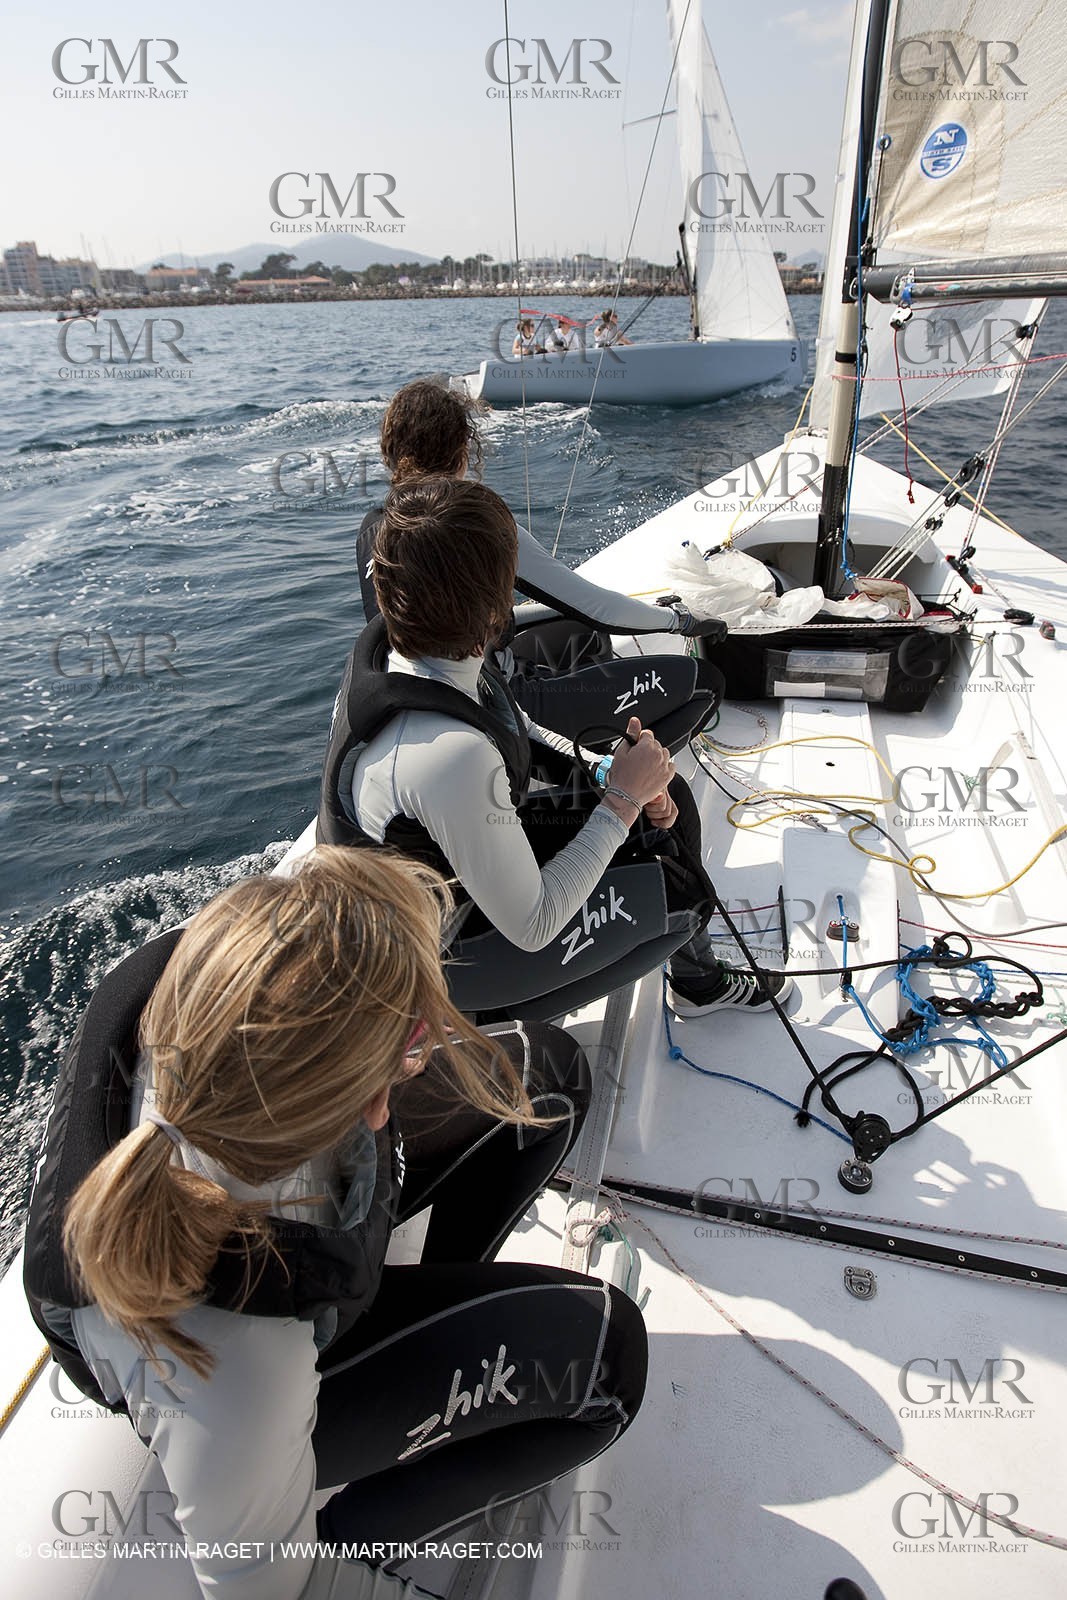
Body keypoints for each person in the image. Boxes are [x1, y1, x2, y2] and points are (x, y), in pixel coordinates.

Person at [24, 847, 648, 1599]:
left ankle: (430, 1298)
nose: (430, 1043)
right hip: (275, 1355)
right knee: (607, 1361)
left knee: (542, 1077)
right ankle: (369, 1535)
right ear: (370, 1103)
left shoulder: (201, 1002)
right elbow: (266, 1592)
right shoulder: (235, 1365)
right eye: (416, 1046)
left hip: (284, 1192)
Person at [329, 478, 793, 1018]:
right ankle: (468, 1036)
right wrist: (621, 803)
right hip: (435, 964)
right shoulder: (447, 753)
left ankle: (695, 977)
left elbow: (519, 725)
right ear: (493, 608)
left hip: (450, 867)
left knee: (674, 804)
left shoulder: (416, 649)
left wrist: (610, 776)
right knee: (681, 895)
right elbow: (535, 923)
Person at [356, 379, 726, 753]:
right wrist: (682, 621)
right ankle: (617, 788)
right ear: (461, 451)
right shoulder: (474, 523)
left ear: (390, 452)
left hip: (425, 702)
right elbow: (599, 609)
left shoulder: (373, 530)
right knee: (706, 682)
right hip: (499, 713)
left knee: (587, 636)